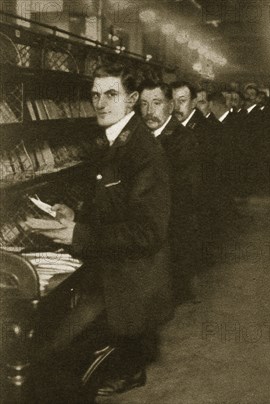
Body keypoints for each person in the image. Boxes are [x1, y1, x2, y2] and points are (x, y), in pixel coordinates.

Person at [26, 62, 172, 396]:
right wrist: (74, 215)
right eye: (95, 95)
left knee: (55, 356)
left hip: (127, 286)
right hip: (110, 274)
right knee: (50, 344)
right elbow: (115, 209)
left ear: (132, 99)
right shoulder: (119, 141)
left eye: (110, 94)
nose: (100, 102)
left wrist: (78, 234)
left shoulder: (143, 152)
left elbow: (148, 233)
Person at [139, 79, 201, 304]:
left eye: (156, 103)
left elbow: (185, 191)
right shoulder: (141, 137)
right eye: (144, 104)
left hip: (173, 224)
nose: (149, 111)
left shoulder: (183, 140)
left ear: (169, 106)